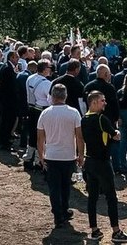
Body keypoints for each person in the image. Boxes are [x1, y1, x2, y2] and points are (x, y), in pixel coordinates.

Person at [81, 91, 127, 242]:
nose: (105, 103)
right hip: (102, 162)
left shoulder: (84, 118)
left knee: (92, 197)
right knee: (111, 197)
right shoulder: (101, 119)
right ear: (94, 103)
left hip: (89, 161)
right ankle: (116, 232)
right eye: (102, 100)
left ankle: (94, 230)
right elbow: (115, 135)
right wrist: (115, 133)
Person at [37, 83, 84, 229]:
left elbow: (40, 138)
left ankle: (58, 214)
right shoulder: (74, 112)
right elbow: (79, 137)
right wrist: (81, 154)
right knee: (66, 186)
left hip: (51, 156)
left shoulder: (45, 113)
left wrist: (41, 156)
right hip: (68, 155)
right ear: (65, 96)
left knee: (54, 188)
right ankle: (64, 209)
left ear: (52, 97)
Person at [24, 60, 54, 168]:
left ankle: (28, 158)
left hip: (31, 108)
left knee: (32, 134)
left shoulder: (30, 78)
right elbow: (51, 100)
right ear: (45, 69)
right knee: (42, 136)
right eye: (49, 68)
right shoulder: (47, 83)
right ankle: (38, 160)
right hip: (41, 110)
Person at [0, 50, 20, 150]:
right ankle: (4, 141)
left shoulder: (7, 67)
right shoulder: (8, 69)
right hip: (7, 100)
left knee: (5, 120)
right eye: (16, 57)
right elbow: (10, 86)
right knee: (7, 121)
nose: (18, 59)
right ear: (11, 58)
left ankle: (3, 140)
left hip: (5, 99)